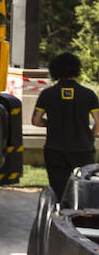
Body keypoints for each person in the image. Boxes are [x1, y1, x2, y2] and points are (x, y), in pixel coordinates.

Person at [32, 52, 99, 200]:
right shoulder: (89, 95)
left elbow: (36, 121)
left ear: (54, 70)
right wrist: (91, 136)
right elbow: (98, 122)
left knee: (59, 190)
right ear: (77, 69)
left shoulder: (47, 94)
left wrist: (51, 123)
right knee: (84, 190)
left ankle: (60, 211)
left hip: (55, 149)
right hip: (83, 149)